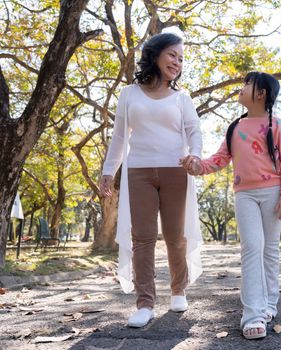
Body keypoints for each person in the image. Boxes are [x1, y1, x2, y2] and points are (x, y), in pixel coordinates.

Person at [181, 71, 281, 339]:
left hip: (273, 193)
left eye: (247, 83)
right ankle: (252, 314)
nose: (241, 87)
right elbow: (220, 159)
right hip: (244, 195)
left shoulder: (278, 126)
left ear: (261, 93)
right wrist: (197, 166)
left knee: (270, 251)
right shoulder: (235, 127)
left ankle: (268, 305)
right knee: (251, 249)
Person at [100, 32, 203, 328]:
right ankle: (145, 303)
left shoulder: (182, 98)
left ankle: (178, 290)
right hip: (139, 171)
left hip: (176, 170)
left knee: (176, 236)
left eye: (181, 58)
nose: (177, 62)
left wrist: (194, 155)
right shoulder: (128, 94)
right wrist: (109, 170)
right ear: (155, 54)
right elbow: (120, 136)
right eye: (173, 54)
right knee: (142, 238)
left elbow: (194, 130)